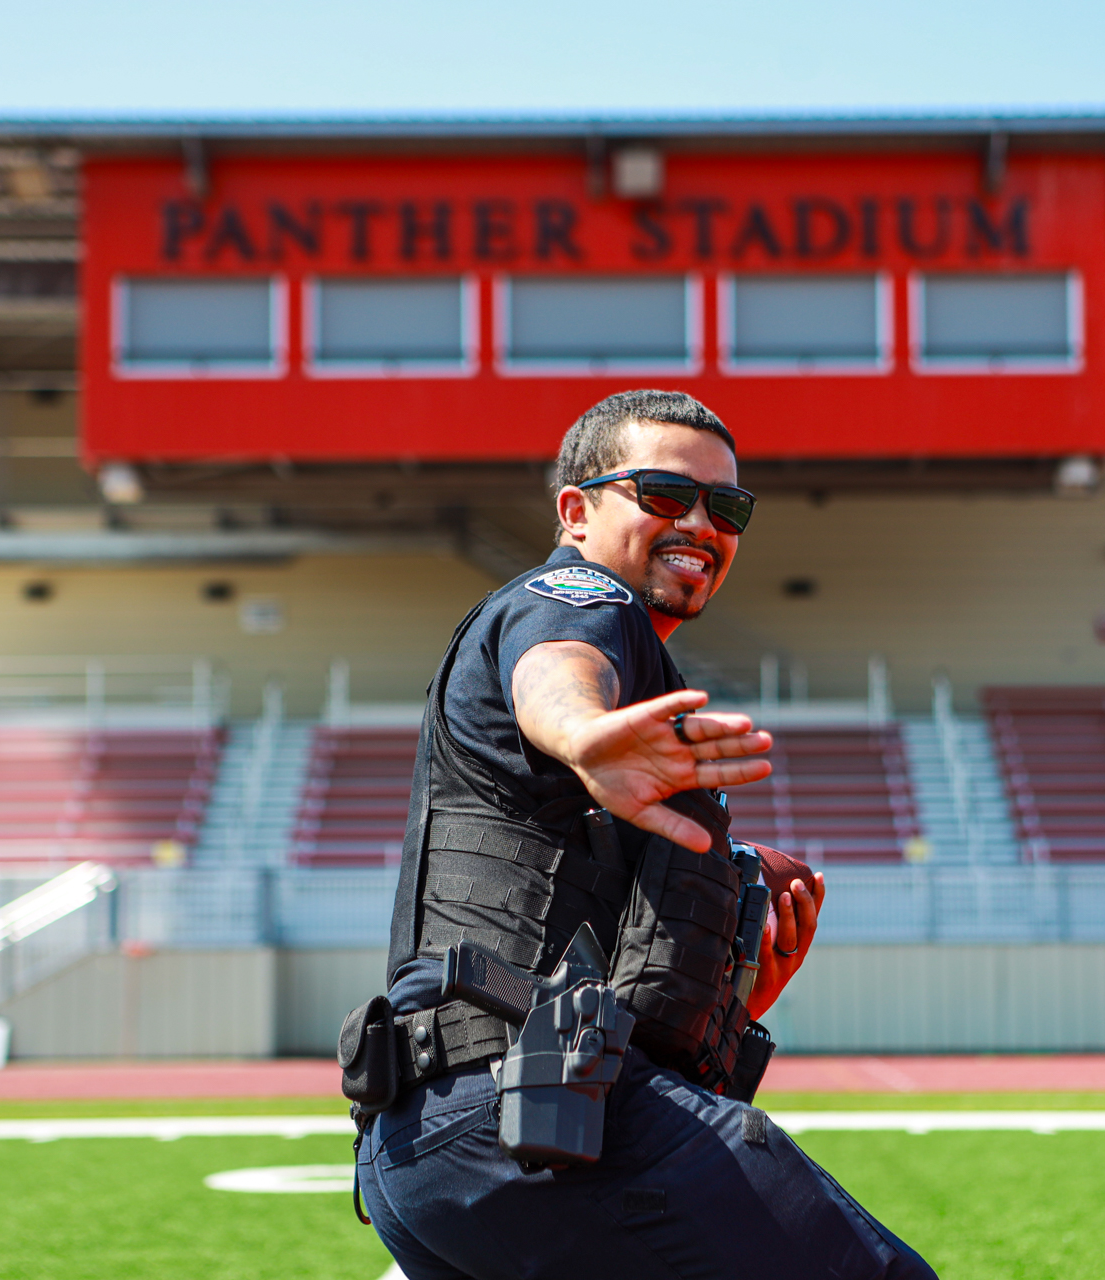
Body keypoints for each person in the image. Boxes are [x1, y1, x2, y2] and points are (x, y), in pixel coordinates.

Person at [355, 389, 936, 1280]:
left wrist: (719, 1000)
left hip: (439, 1139)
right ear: (576, 512)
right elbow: (557, 664)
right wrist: (581, 731)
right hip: (519, 1119)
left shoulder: (643, 699)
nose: (702, 523)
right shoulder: (579, 599)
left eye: (727, 507)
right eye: (664, 495)